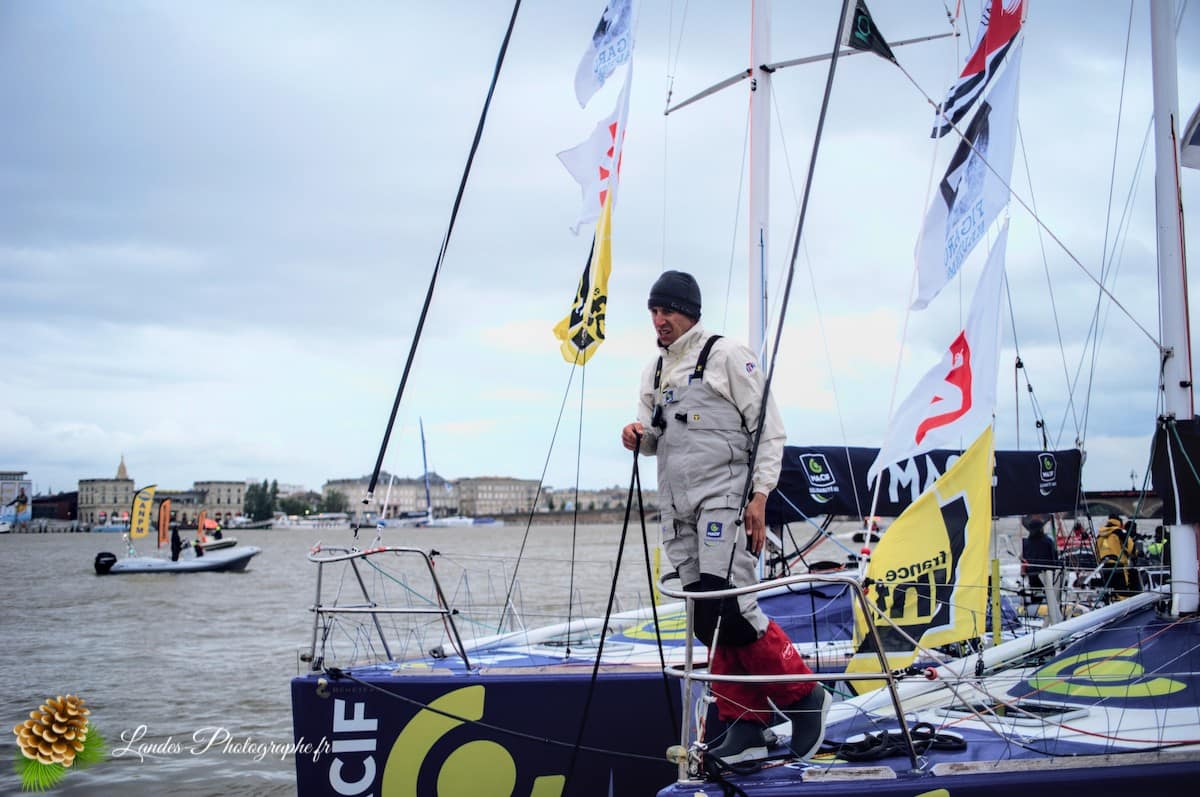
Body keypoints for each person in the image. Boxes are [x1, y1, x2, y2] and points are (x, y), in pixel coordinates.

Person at [620, 270, 827, 765]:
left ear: (689, 311)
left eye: (667, 310)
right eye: (653, 310)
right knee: (704, 617)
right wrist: (636, 436)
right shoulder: (653, 371)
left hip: (724, 500)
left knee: (730, 607)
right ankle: (744, 725)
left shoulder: (729, 355)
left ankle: (803, 697)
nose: (659, 319)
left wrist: (760, 498)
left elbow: (769, 431)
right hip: (677, 508)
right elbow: (654, 438)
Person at [1020, 515, 1060, 614]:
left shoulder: (1025, 543)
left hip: (1032, 575)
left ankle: (1035, 610)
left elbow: (1025, 559)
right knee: (1049, 594)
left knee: (1035, 594)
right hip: (1047, 575)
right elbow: (1054, 559)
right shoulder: (1048, 541)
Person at [1094, 514, 1135, 595]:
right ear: (1120, 523)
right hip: (1118, 566)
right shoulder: (1121, 533)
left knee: (1109, 589)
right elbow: (1131, 549)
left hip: (1104, 566)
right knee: (1122, 590)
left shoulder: (1100, 535)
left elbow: (1097, 552)